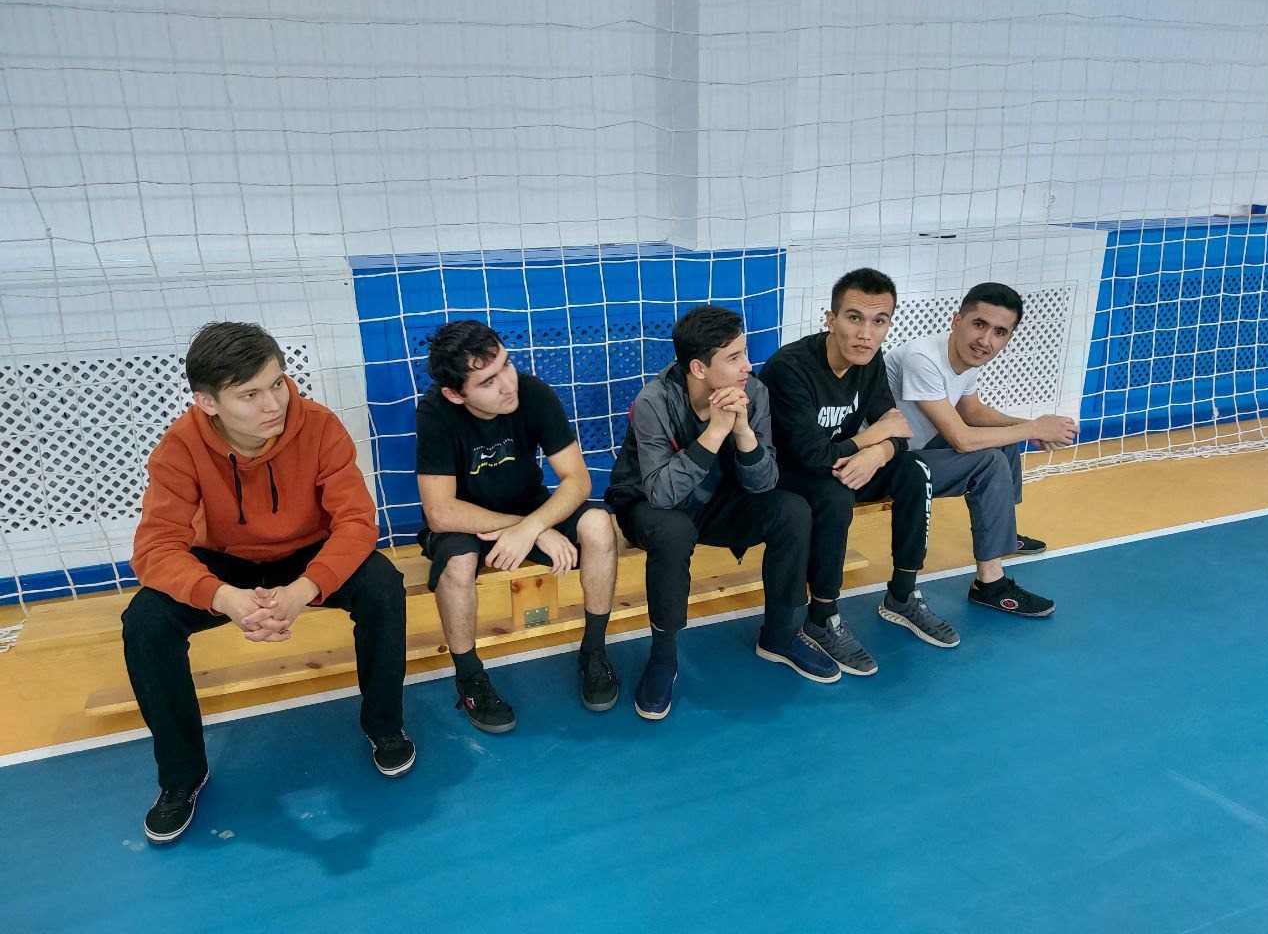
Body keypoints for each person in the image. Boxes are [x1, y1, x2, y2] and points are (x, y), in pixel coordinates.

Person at [123, 321, 413, 845]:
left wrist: (305, 588)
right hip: (225, 563)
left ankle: (385, 726)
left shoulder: (319, 427)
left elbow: (356, 523)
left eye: (277, 383)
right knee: (145, 622)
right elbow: (154, 548)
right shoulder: (181, 446)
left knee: (382, 584)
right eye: (249, 394)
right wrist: (223, 597)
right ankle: (182, 776)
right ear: (208, 403)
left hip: (306, 554)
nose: (273, 403)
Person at [606, 305, 840, 722]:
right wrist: (715, 431)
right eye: (734, 358)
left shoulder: (755, 392)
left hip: (716, 501)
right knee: (674, 531)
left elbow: (764, 484)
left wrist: (743, 431)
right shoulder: (653, 401)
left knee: (791, 509)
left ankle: (780, 635)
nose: (747, 365)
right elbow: (661, 493)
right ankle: (663, 657)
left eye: (744, 353)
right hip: (648, 506)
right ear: (699, 368)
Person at [416, 321, 619, 733]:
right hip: (467, 520)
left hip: (528, 509)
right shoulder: (436, 412)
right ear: (456, 393)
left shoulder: (532, 392)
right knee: (457, 562)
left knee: (599, 525)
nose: (507, 385)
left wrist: (533, 525)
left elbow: (578, 480)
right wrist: (531, 529)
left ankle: (594, 653)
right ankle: (470, 679)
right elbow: (440, 511)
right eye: (488, 382)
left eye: (507, 365)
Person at [760, 268, 955, 677]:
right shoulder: (789, 368)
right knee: (834, 493)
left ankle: (902, 595)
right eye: (854, 318)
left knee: (914, 469)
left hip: (844, 464)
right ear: (831, 320)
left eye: (879, 321)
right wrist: (871, 440)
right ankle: (822, 617)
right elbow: (810, 455)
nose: (866, 334)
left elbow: (897, 429)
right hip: (787, 475)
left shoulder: (870, 360)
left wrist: (878, 452)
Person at [884, 282, 1078, 617]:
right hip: (885, 463)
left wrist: (1030, 426)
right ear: (957, 321)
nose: (985, 340)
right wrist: (1033, 428)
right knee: (988, 460)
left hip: (916, 449)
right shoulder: (922, 358)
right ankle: (990, 584)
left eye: (999, 332)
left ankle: (1003, 533)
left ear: (1009, 338)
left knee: (1003, 438)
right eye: (979, 324)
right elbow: (962, 439)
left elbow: (972, 412)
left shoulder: (964, 358)